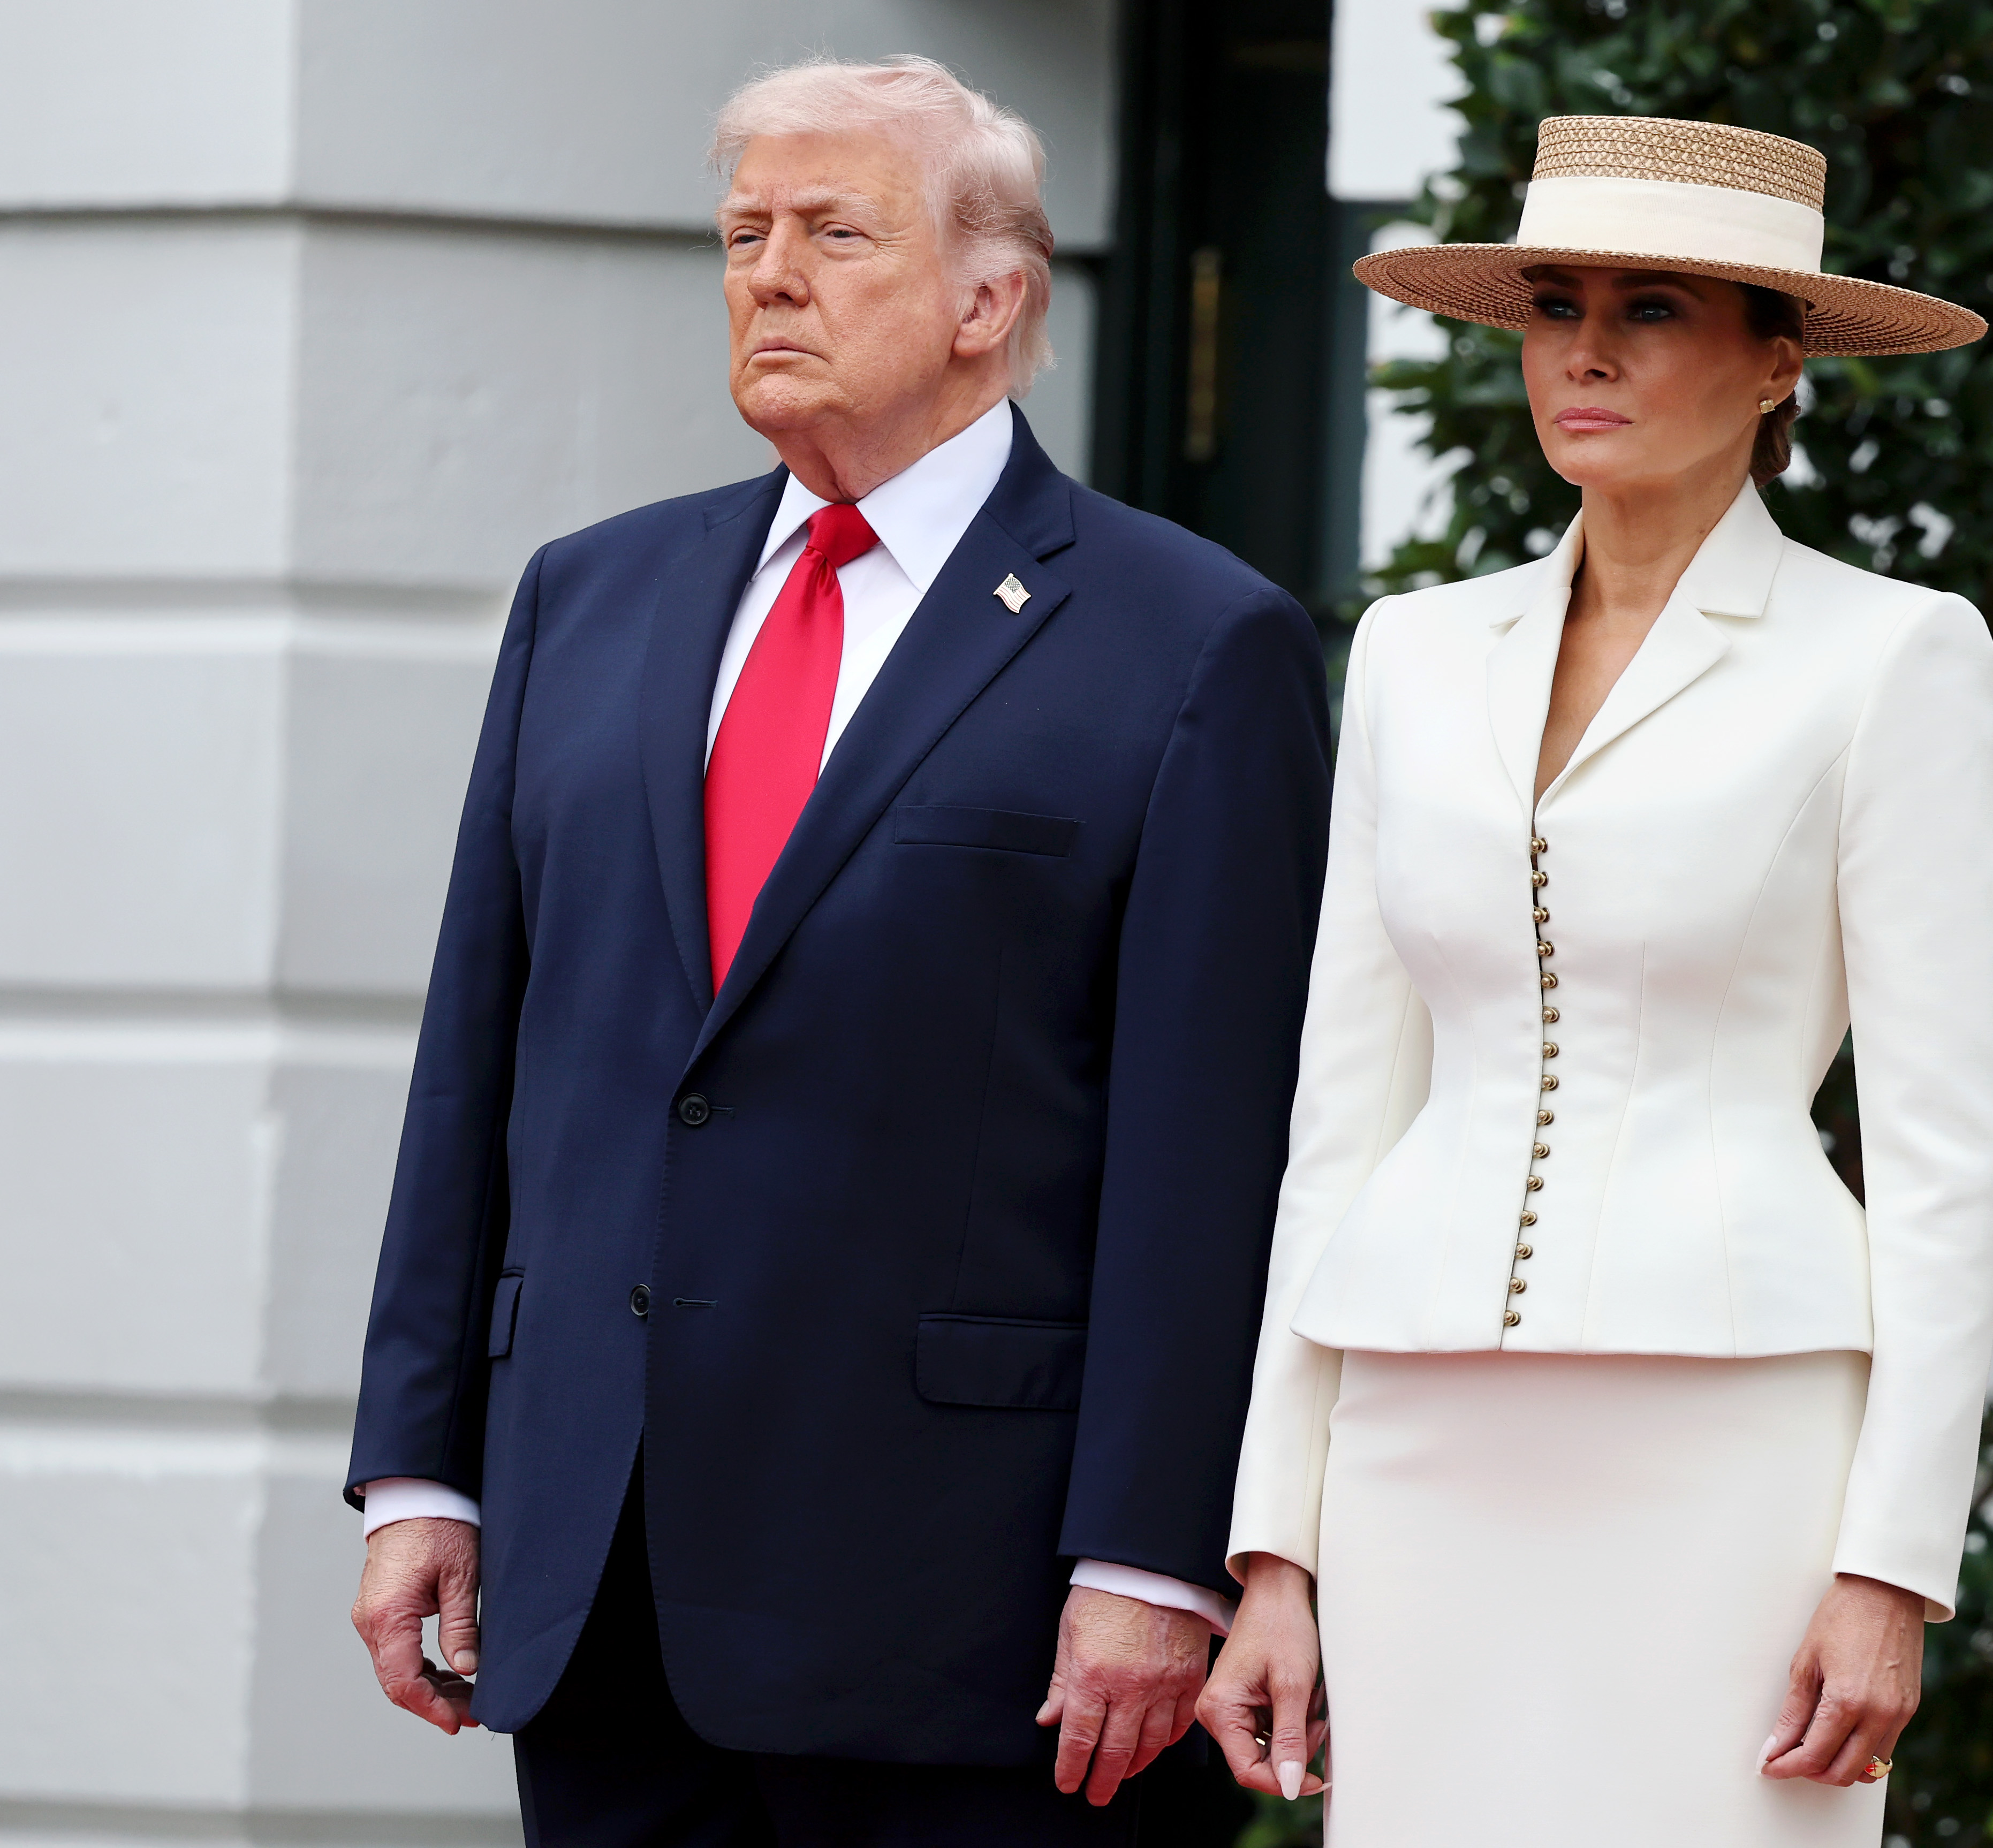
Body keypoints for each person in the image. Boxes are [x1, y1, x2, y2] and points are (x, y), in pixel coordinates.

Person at [344, 56, 1331, 1848]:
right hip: (602, 1578)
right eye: (742, 232)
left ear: (989, 297)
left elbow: (1212, 1152)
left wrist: (1151, 1555)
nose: (767, 274)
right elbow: (479, 1053)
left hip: (976, 1625)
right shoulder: (590, 595)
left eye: (831, 232)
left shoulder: (1196, 644)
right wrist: (419, 1469)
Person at [1199, 115, 1993, 1844]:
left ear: (1774, 362)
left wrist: (1892, 1567)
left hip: (1736, 1440)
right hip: (1413, 1431)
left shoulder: (1893, 656)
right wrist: (1275, 1544)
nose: (1581, 347)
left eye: (1650, 306)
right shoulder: (1414, 653)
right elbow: (1340, 1114)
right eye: (1554, 302)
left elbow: (1944, 1158)